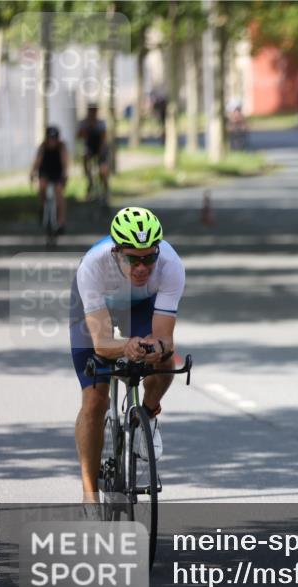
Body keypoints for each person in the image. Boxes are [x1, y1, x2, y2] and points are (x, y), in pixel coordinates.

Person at [70, 207, 185, 504]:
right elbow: (100, 343)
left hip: (141, 305)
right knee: (95, 399)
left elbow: (164, 337)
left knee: (165, 362)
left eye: (149, 257)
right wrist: (125, 346)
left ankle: (144, 418)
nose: (142, 267)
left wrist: (157, 347)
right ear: (116, 252)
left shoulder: (171, 265)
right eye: (133, 258)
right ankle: (89, 494)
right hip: (97, 308)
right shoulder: (92, 266)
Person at [30, 125, 68, 232]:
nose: (52, 141)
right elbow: (37, 162)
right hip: (45, 171)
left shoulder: (61, 147)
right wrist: (33, 173)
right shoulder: (42, 147)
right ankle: (42, 208)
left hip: (57, 172)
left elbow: (65, 163)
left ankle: (61, 221)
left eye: (54, 138)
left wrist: (65, 174)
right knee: (42, 186)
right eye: (50, 138)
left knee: (59, 192)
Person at [77, 103, 109, 201]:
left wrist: (100, 152)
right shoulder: (83, 123)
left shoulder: (101, 123)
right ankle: (89, 181)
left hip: (100, 147)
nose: (92, 113)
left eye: (93, 111)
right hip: (89, 148)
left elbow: (103, 139)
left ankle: (105, 188)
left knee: (103, 169)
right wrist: (84, 131)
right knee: (85, 158)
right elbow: (79, 136)